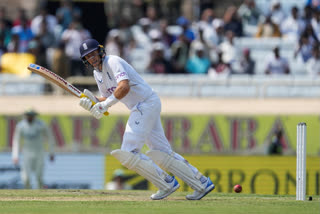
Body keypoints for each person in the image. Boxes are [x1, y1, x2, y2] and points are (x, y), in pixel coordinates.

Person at [78, 39, 214, 200]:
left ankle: (166, 183)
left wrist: (105, 105)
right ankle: (201, 183)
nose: (92, 58)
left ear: (100, 51)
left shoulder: (113, 61)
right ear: (85, 60)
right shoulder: (97, 73)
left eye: (93, 53)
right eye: (88, 56)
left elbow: (124, 87)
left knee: (128, 151)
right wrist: (93, 101)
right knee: (161, 152)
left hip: (144, 104)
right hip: (144, 105)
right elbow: (107, 96)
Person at [12, 109, 55, 189]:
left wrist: (51, 152)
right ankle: (28, 196)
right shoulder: (21, 126)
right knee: (26, 178)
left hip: (39, 153)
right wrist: (15, 155)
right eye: (28, 115)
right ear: (25, 115)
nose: (30, 117)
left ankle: (40, 196)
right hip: (27, 154)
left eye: (31, 115)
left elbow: (50, 138)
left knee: (39, 177)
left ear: (35, 116)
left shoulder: (41, 124)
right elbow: (16, 141)